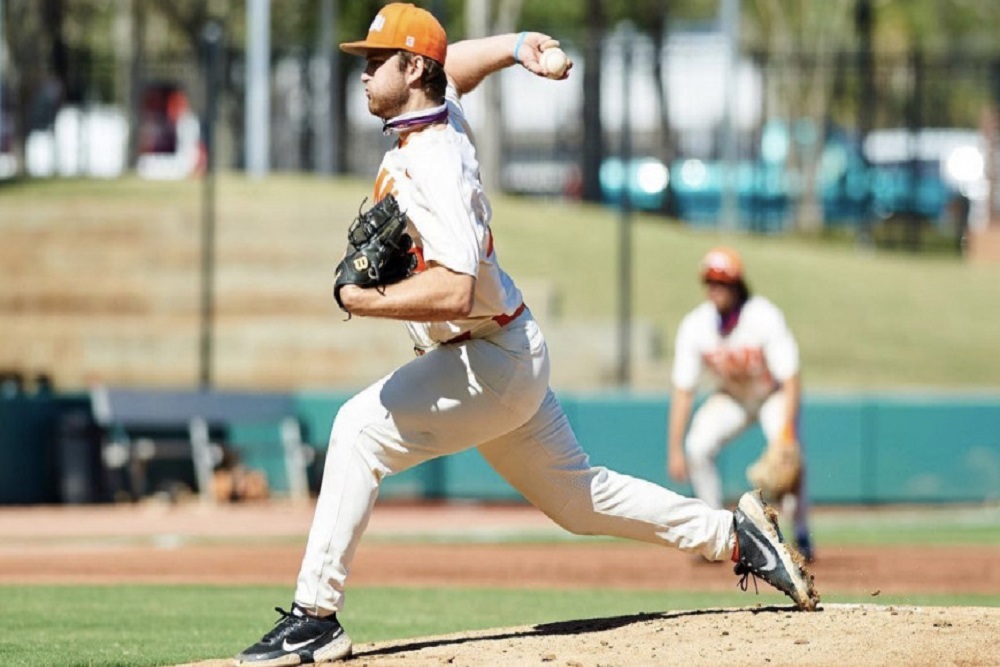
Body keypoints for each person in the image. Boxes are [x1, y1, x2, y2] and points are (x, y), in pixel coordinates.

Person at [235, 5, 818, 665]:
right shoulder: (438, 114)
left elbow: (457, 288)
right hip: (502, 349)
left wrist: (364, 300)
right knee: (578, 499)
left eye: (376, 60)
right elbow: (454, 66)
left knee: (356, 431)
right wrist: (515, 45)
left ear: (413, 68)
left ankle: (315, 616)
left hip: (486, 357)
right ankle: (735, 535)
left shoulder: (436, 163)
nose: (364, 73)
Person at [667, 247, 815, 562]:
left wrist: (786, 434)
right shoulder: (696, 325)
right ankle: (715, 536)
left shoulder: (763, 316)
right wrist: (675, 447)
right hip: (733, 397)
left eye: (722, 281)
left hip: (771, 394)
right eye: (710, 281)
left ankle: (802, 534)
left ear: (737, 284)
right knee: (697, 447)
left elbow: (791, 378)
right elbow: (683, 389)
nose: (715, 288)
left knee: (790, 455)